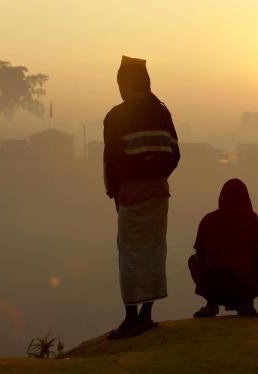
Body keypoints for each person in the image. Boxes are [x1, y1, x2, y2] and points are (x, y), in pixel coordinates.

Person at [103, 56, 180, 339]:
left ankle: (131, 318)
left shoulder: (116, 116)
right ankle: (147, 315)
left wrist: (116, 192)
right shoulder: (162, 112)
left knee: (130, 254)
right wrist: (157, 177)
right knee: (154, 251)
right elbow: (175, 154)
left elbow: (111, 161)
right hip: (159, 192)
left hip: (131, 194)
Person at [188, 179, 258, 317]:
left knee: (192, 260)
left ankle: (211, 304)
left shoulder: (208, 219)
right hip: (242, 288)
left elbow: (199, 254)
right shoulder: (251, 219)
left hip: (212, 287)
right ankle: (246, 304)